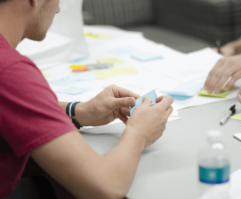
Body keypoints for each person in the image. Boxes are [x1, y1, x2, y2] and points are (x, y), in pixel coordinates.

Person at [0, 0, 173, 198]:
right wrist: (139, 133)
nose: (57, 9)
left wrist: (78, 112)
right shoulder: (10, 71)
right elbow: (106, 187)